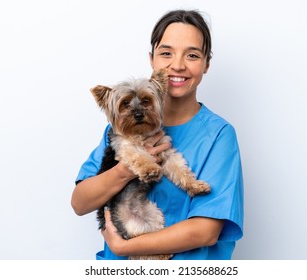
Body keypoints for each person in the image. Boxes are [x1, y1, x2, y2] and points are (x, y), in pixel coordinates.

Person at [72, 9, 244, 260]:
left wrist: (124, 247)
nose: (177, 65)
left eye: (193, 55)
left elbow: (206, 231)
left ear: (207, 63)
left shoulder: (219, 135)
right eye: (166, 53)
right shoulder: (118, 130)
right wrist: (125, 169)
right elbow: (80, 203)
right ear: (152, 60)